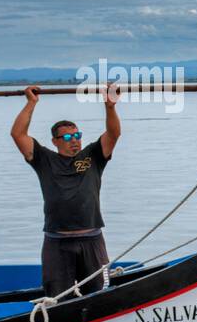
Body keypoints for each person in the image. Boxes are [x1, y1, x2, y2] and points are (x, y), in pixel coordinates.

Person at [11, 83, 121, 298]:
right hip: (57, 241)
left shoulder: (93, 156)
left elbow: (114, 134)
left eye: (77, 135)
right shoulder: (44, 159)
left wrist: (110, 107)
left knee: (99, 295)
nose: (75, 141)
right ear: (55, 141)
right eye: (68, 138)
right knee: (57, 297)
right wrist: (31, 103)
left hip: (91, 239)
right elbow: (18, 134)